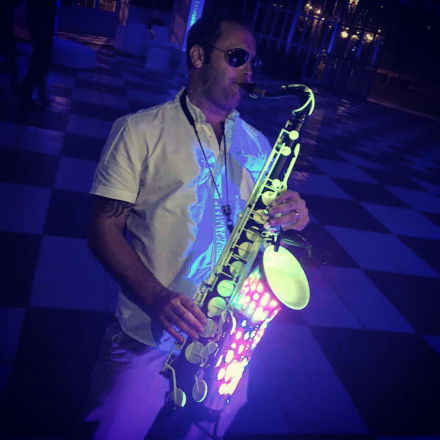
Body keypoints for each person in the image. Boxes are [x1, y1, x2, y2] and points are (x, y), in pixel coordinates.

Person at [83, 13, 309, 440]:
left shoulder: (258, 144)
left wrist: (291, 216)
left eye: (253, 61)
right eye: (237, 57)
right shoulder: (139, 131)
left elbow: (262, 234)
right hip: (150, 335)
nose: (248, 70)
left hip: (227, 341)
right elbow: (102, 231)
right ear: (199, 56)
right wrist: (157, 297)